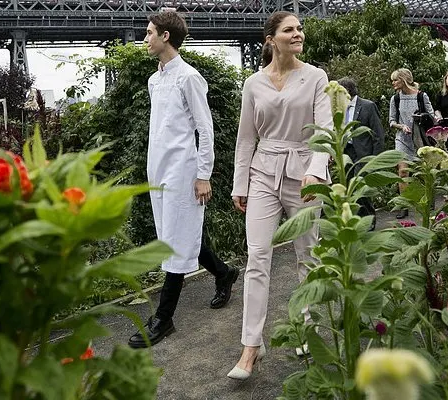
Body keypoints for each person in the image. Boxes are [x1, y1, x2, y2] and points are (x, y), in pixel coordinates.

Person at [228, 11, 332, 380]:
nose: (298, 33)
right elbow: (245, 138)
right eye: (290, 29)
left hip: (305, 172)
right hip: (262, 172)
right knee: (257, 256)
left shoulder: (316, 76)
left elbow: (325, 129)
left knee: (309, 255)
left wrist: (316, 170)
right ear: (271, 39)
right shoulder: (253, 83)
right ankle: (251, 346)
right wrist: (240, 183)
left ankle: (309, 329)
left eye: (300, 28)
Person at [127, 11, 239, 349]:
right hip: (158, 169)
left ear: (165, 36)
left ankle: (164, 318)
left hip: (184, 172)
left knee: (175, 241)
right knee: (179, 234)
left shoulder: (189, 77)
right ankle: (223, 273)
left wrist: (203, 174)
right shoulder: (154, 79)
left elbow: (205, 130)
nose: (144, 39)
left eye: (148, 33)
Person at [338, 77, 385, 230]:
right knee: (348, 187)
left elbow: (378, 134)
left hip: (364, 153)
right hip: (346, 153)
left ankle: (369, 220)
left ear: (348, 92)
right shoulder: (340, 107)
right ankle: (354, 220)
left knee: (361, 189)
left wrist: (375, 160)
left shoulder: (368, 106)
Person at [389, 68, 434, 219]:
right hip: (402, 139)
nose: (393, 82)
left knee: (423, 173)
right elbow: (391, 121)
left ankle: (429, 200)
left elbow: (432, 116)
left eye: (395, 79)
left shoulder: (421, 96)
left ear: (403, 80)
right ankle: (404, 205)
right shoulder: (395, 99)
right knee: (402, 172)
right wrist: (401, 126)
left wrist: (420, 118)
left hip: (420, 138)